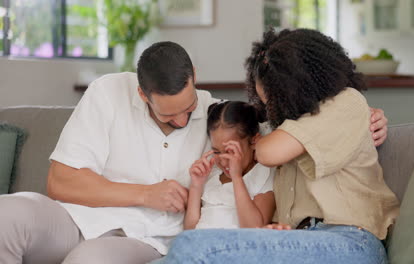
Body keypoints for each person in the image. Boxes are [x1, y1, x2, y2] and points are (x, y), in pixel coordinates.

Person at [0, 40, 388, 263]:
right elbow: (60, 181)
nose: (187, 121)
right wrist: (146, 193)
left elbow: (269, 137)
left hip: (144, 238)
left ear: (195, 80)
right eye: (170, 114)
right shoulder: (106, 92)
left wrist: (364, 117)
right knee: (7, 213)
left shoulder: (218, 117)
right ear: (142, 93)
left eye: (190, 110)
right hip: (75, 219)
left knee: (99, 261)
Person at [153, 29, 400, 264]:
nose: (269, 107)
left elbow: (266, 152)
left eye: (271, 100)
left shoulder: (344, 102)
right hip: (302, 239)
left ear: (294, 89)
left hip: (351, 241)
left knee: (191, 247)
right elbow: (237, 123)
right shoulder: (290, 126)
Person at [184, 101, 275, 230]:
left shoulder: (263, 174)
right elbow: (189, 231)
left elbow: (254, 229)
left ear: (254, 142)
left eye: (231, 151)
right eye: (216, 151)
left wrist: (237, 178)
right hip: (201, 245)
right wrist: (196, 186)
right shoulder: (212, 174)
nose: (224, 161)